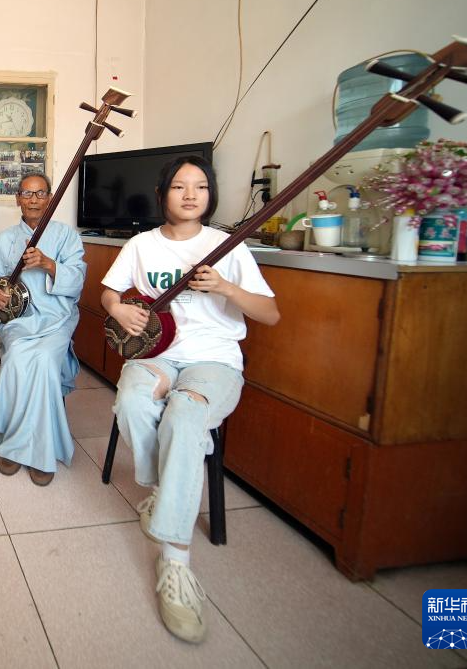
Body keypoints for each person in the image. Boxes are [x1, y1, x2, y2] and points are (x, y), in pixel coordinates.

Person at [100, 156, 279, 644]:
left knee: (183, 415)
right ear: (163, 193)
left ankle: (175, 562)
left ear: (210, 194)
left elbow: (270, 313)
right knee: (133, 399)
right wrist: (120, 309)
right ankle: (166, 491)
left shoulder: (228, 247)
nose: (190, 194)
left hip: (213, 361)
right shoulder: (142, 244)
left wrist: (225, 287)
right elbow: (109, 293)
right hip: (158, 355)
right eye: (179, 186)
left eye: (200, 186)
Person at [0, 172, 86, 486]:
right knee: (17, 356)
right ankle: (15, 440)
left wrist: (49, 264)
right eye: (27, 193)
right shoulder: (5, 239)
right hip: (19, 321)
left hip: (57, 319)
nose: (34, 199)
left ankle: (35, 450)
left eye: (40, 193)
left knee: (44, 360)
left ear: (50, 198)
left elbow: (78, 280)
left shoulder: (67, 236)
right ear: (18, 199)